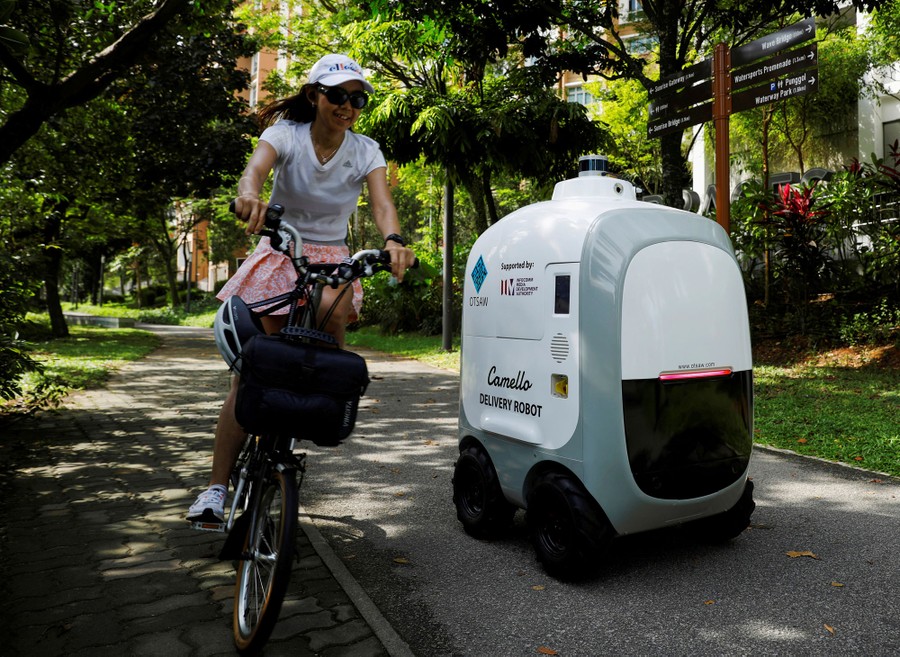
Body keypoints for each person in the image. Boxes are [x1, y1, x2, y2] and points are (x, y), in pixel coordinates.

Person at [187, 54, 416, 523]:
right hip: (282, 248)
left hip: (331, 257)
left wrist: (393, 240)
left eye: (357, 98)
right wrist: (249, 194)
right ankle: (214, 489)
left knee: (331, 320)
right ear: (314, 95)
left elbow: (382, 204)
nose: (348, 106)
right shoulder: (286, 135)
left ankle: (306, 416)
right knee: (253, 371)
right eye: (337, 95)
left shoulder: (366, 149)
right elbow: (255, 171)